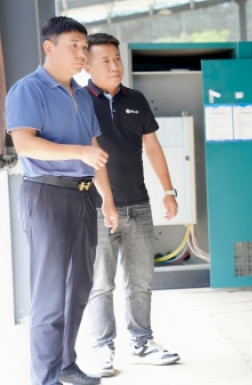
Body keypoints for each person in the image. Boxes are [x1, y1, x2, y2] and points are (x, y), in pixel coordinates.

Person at [5, 16, 119, 385]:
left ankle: (66, 365)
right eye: (74, 45)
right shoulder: (28, 89)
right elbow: (25, 144)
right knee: (50, 296)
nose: (82, 53)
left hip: (84, 197)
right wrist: (79, 152)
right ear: (49, 47)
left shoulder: (83, 95)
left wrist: (108, 200)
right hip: (47, 195)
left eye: (85, 47)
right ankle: (46, 378)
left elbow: (95, 152)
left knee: (79, 290)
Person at [83, 32, 180, 377]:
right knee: (101, 283)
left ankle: (142, 343)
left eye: (117, 59)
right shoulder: (79, 101)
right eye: (105, 60)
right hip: (96, 209)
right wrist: (106, 201)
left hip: (139, 205)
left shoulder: (136, 99)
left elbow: (152, 147)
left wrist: (168, 190)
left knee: (140, 280)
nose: (114, 66)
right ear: (87, 65)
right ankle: (102, 347)